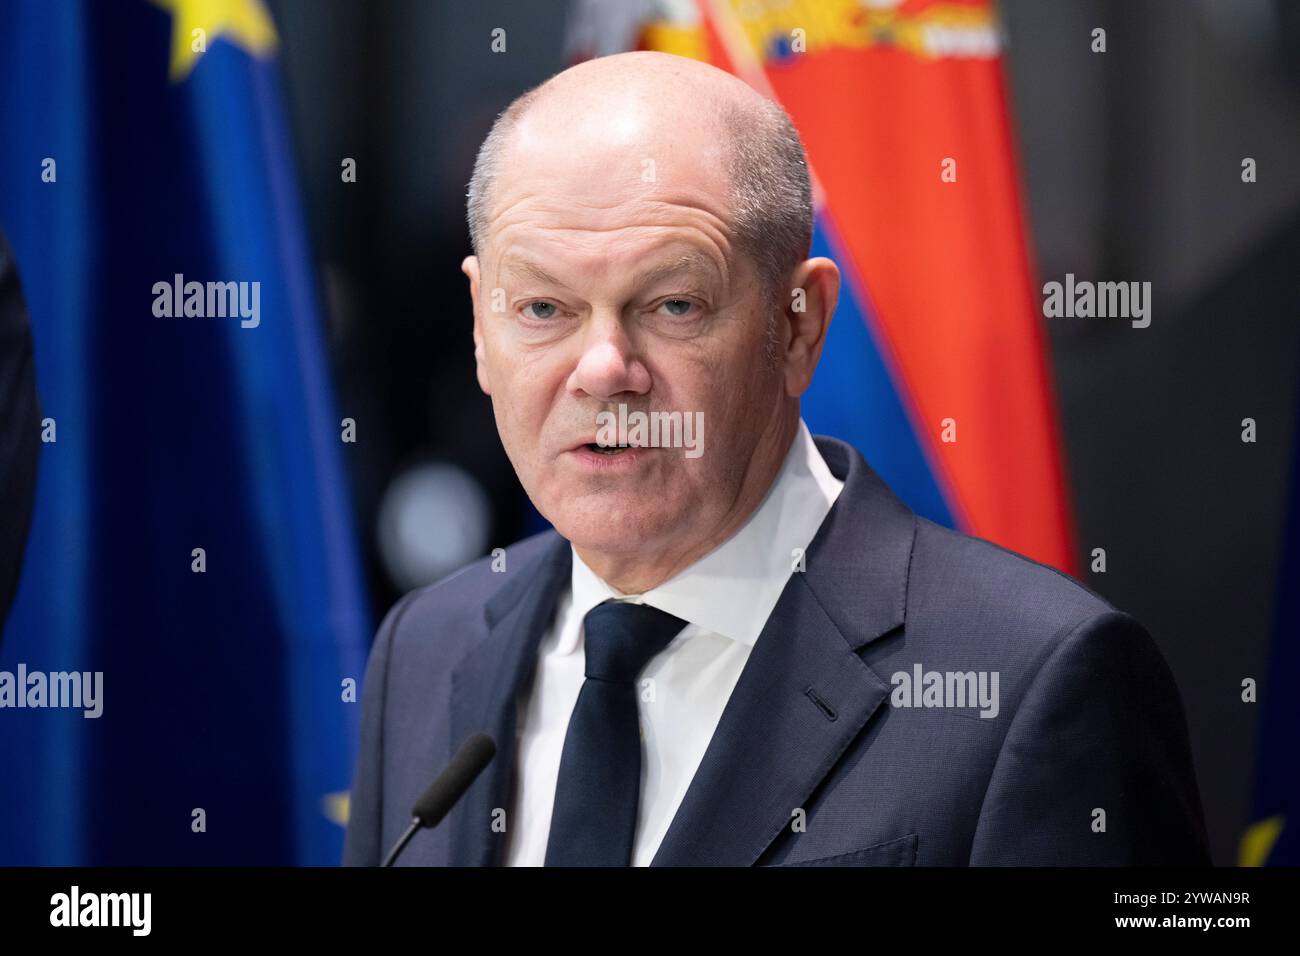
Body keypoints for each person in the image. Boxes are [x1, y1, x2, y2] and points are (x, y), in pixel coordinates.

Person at [343, 51, 1209, 866]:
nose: (603, 367)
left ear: (798, 325)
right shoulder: (425, 647)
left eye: (674, 303)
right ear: (478, 328)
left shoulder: (1038, 680)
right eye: (541, 309)